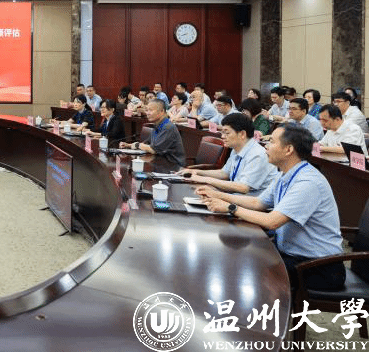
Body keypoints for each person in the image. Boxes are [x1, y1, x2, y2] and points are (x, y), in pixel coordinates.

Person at [197, 124, 345, 291]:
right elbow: (258, 203)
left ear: (288, 149)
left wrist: (231, 208)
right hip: (292, 255)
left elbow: (272, 222)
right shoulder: (286, 174)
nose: (266, 146)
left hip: (318, 266)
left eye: (272, 142)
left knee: (246, 269)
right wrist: (219, 195)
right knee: (236, 254)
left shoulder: (308, 182)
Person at [180, 114, 277, 196]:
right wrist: (196, 172)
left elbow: (243, 187)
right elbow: (224, 173)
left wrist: (205, 179)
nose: (222, 136)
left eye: (227, 133)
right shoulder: (236, 148)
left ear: (242, 134)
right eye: (222, 132)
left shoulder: (257, 155)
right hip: (236, 197)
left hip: (252, 204)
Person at [122, 99, 186, 167]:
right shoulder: (158, 125)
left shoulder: (168, 127)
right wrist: (128, 145)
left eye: (151, 110)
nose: (148, 113)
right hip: (160, 163)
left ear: (161, 111)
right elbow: (146, 143)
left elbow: (153, 150)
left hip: (173, 166)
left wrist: (138, 145)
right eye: (147, 110)